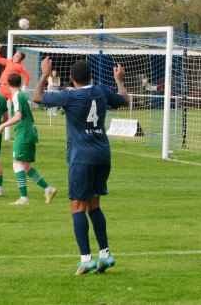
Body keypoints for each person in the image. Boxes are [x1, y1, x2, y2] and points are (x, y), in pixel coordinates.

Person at [34, 58, 128, 275]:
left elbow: (38, 98)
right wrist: (119, 80)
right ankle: (104, 255)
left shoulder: (70, 95)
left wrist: (44, 74)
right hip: (103, 155)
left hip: (81, 157)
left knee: (77, 207)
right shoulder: (101, 91)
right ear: (91, 76)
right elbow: (125, 100)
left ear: (71, 78)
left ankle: (86, 259)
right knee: (94, 205)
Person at [0, 73, 57, 205]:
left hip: (23, 133)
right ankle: (48, 189)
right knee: (26, 167)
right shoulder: (22, 94)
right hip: (30, 131)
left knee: (17, 164)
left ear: (7, 84)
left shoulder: (17, 95)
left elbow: (18, 117)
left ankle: (24, 198)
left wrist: (2, 125)